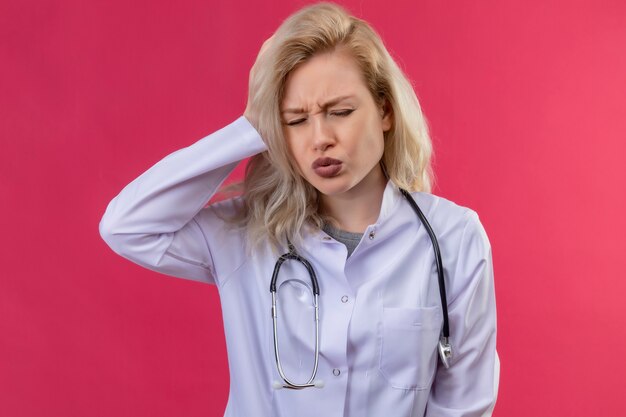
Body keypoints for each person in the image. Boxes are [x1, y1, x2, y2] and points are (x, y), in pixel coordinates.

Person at [99, 2, 499, 416]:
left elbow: (464, 405)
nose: (319, 138)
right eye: (295, 120)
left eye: (340, 112)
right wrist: (252, 125)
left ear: (385, 110)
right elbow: (126, 226)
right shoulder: (243, 235)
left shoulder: (454, 238)